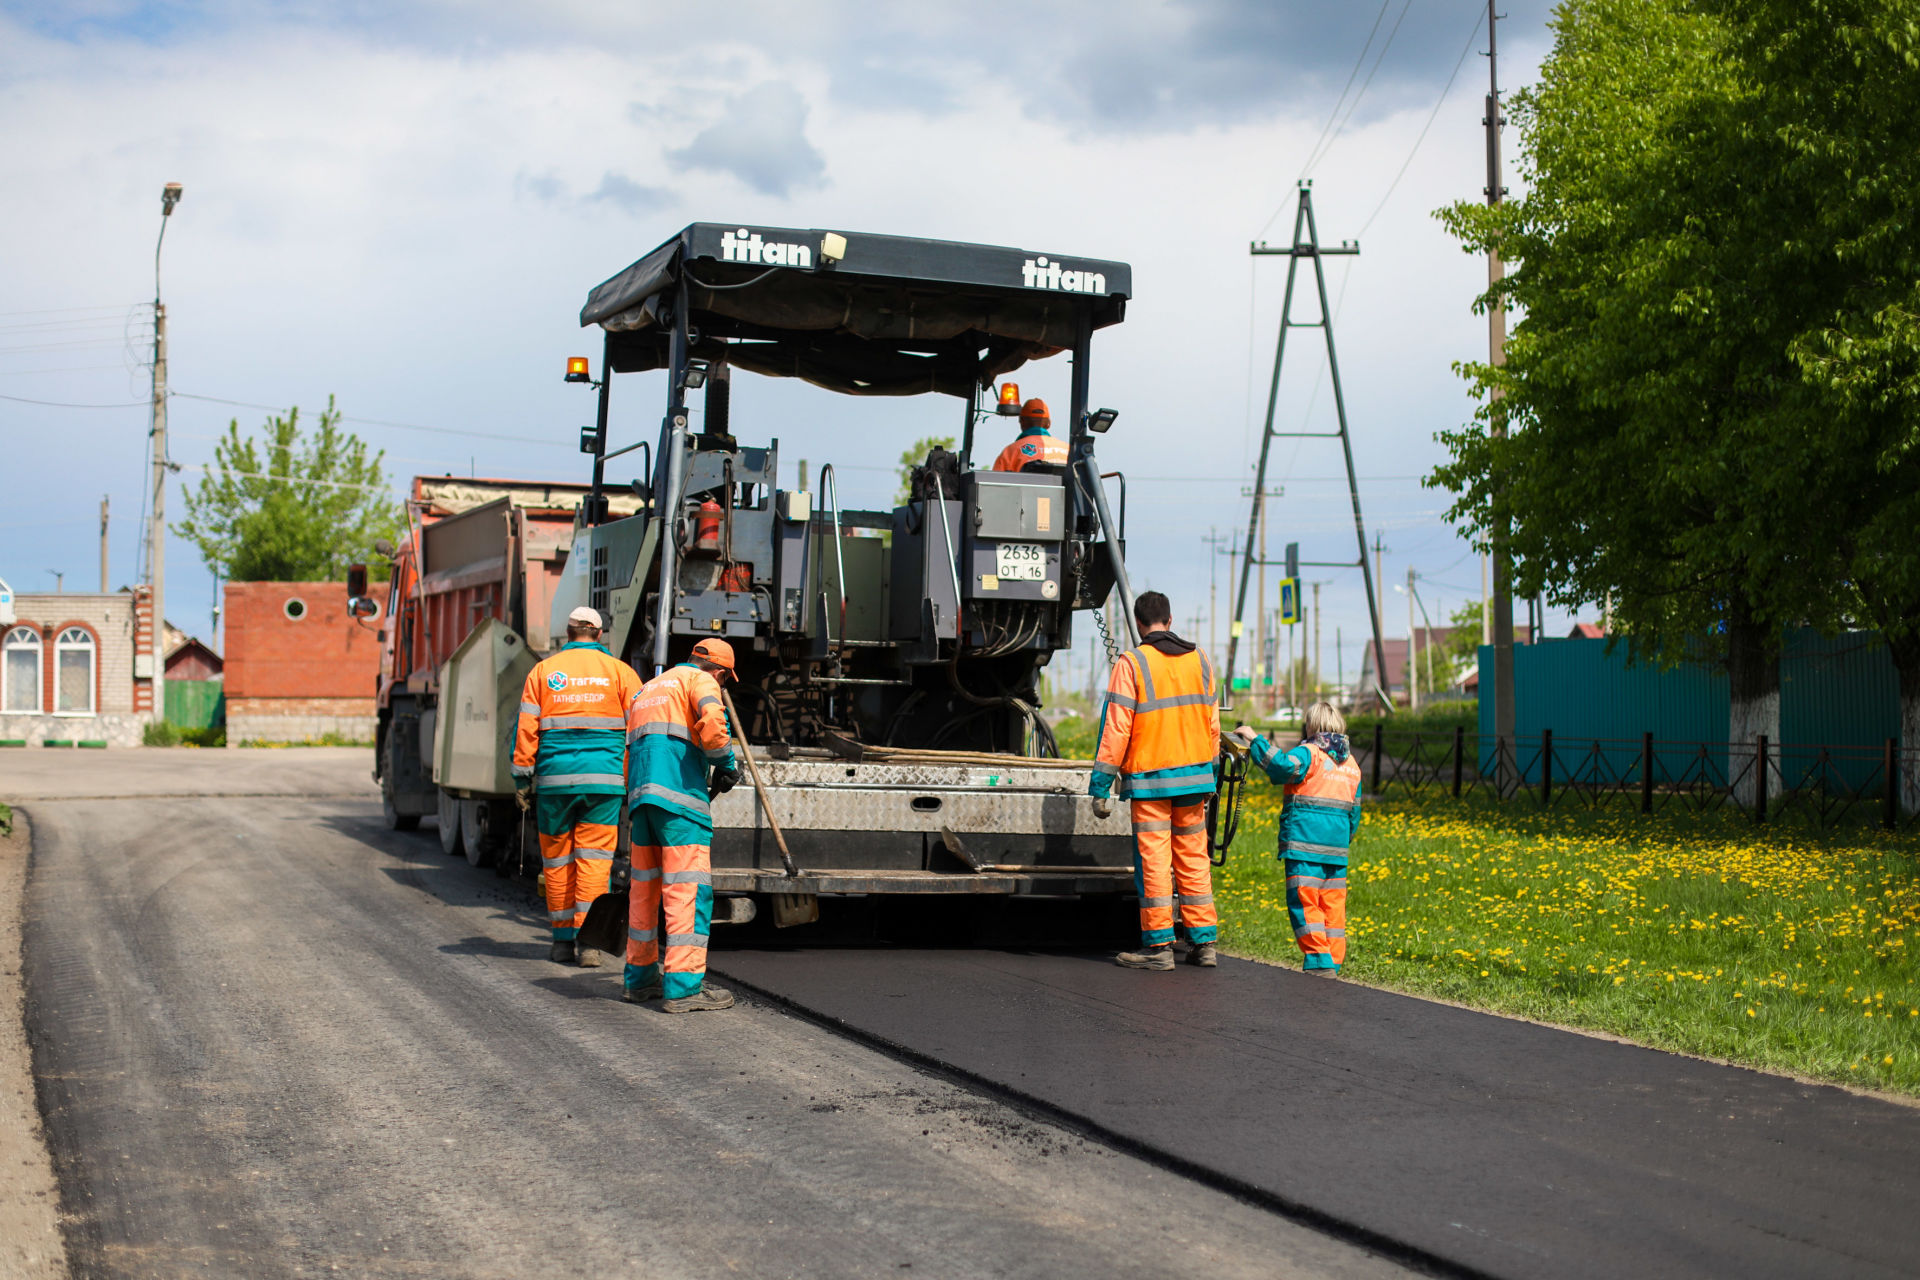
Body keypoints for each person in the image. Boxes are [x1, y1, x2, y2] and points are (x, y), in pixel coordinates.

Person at [1089, 591, 1221, 970]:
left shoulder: (1133, 663)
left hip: (1151, 781)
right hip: (1195, 780)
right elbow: (1212, 725)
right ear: (1170, 618)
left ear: (1138, 622)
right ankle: (1203, 944)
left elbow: (1116, 727)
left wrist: (1101, 785)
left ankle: (1160, 947)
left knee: (1155, 862)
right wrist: (1210, 774)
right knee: (1194, 859)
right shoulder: (1201, 660)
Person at [513, 606, 645, 967]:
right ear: (600, 635)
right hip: (604, 784)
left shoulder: (543, 672)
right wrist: (635, 782)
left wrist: (522, 779)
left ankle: (561, 943)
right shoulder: (621, 674)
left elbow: (526, 730)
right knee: (594, 863)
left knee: (557, 863)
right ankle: (589, 946)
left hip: (555, 785)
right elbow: (639, 732)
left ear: (567, 633)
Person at [621, 637, 742, 1012]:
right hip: (679, 804)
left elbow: (629, 748)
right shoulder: (701, 682)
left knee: (644, 893)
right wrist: (726, 766)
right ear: (719, 672)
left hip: (642, 803)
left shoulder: (648, 688)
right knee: (686, 893)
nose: (721, 685)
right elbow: (713, 727)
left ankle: (639, 981)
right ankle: (684, 989)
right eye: (725, 680)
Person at [1232, 701, 1362, 977]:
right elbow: (1355, 811)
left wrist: (1255, 739)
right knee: (1333, 907)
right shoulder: (1352, 765)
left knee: (1305, 903)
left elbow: (1280, 767)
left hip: (1304, 846)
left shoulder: (1309, 754)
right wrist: (1342, 841)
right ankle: (1333, 960)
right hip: (1336, 850)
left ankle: (1319, 960)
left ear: (1312, 725)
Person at [991, 398, 1070, 473]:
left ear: (1022, 421)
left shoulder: (1010, 452)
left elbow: (994, 484)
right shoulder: (1069, 450)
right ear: (1048, 424)